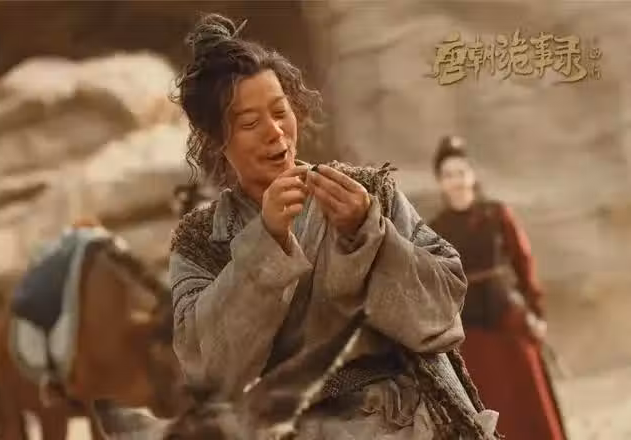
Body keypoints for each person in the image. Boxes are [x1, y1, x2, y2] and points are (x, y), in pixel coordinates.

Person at [169, 14, 499, 439]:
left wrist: (370, 233)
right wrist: (265, 244)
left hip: (410, 420)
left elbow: (442, 312)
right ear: (217, 139)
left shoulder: (367, 192)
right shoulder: (201, 241)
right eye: (250, 123)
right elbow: (205, 371)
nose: (275, 133)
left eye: (280, 112)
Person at [429, 136, 567, 440]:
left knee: (532, 407)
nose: (456, 181)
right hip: (470, 335)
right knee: (489, 408)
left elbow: (524, 263)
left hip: (509, 321)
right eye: (448, 175)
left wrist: (536, 312)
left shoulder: (497, 215)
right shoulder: (435, 229)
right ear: (440, 182)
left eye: (461, 172)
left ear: (472, 175)